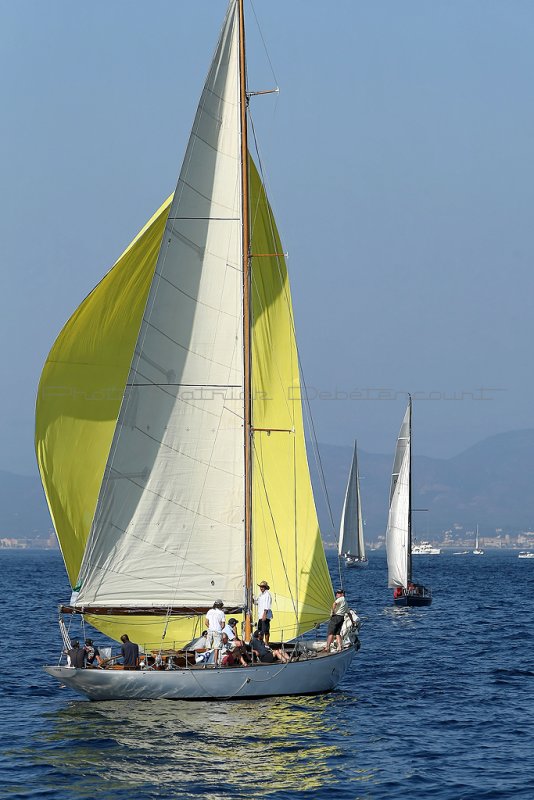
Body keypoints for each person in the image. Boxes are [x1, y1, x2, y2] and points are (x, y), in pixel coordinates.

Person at [205, 599, 225, 665]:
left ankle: (205, 663)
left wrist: (211, 628)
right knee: (216, 648)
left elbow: (206, 623)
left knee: (208, 647)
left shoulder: (210, 611)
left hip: (210, 630)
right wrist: (219, 628)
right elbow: (223, 625)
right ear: (221, 605)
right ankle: (215, 663)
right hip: (217, 631)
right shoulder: (221, 613)